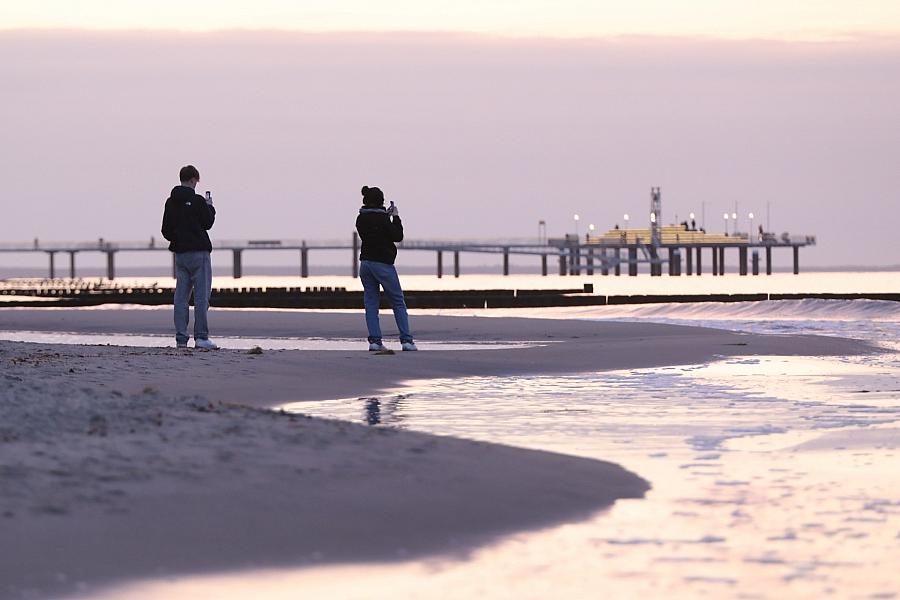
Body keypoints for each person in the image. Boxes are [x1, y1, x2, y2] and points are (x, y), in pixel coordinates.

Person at [161, 165, 218, 350]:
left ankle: (181, 338)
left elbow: (166, 231)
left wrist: (179, 238)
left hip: (181, 254)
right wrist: (211, 208)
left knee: (181, 298)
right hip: (199, 253)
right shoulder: (198, 201)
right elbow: (208, 223)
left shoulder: (171, 202)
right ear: (193, 179)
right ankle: (201, 337)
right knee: (201, 297)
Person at [355, 186, 417, 351]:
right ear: (381, 201)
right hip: (383, 264)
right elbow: (397, 236)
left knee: (371, 304)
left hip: (365, 263)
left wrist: (385, 216)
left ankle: (375, 342)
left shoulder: (360, 218)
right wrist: (395, 217)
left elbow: (374, 229)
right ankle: (406, 341)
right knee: (397, 301)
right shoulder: (383, 219)